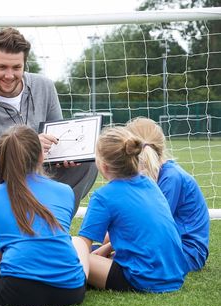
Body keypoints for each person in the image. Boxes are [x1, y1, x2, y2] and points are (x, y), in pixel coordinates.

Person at [0, 27, 98, 233]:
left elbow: (56, 139)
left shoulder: (45, 86)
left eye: (16, 67)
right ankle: (11, 247)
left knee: (88, 163)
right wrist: (25, 148)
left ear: (24, 64)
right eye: (2, 67)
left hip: (37, 168)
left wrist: (65, 155)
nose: (9, 75)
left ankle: (54, 227)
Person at [0, 125, 88, 306]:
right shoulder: (65, 191)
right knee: (77, 242)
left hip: (18, 293)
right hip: (72, 291)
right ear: (42, 156)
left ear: (1, 159)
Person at [78, 127, 188, 293]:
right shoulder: (149, 183)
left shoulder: (104, 196)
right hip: (174, 274)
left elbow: (82, 245)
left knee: (70, 248)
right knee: (93, 252)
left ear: (103, 165)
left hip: (141, 279)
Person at [126, 117, 210, 272]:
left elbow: (151, 226)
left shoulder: (172, 177)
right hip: (163, 245)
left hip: (187, 252)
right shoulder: (147, 175)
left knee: (117, 262)